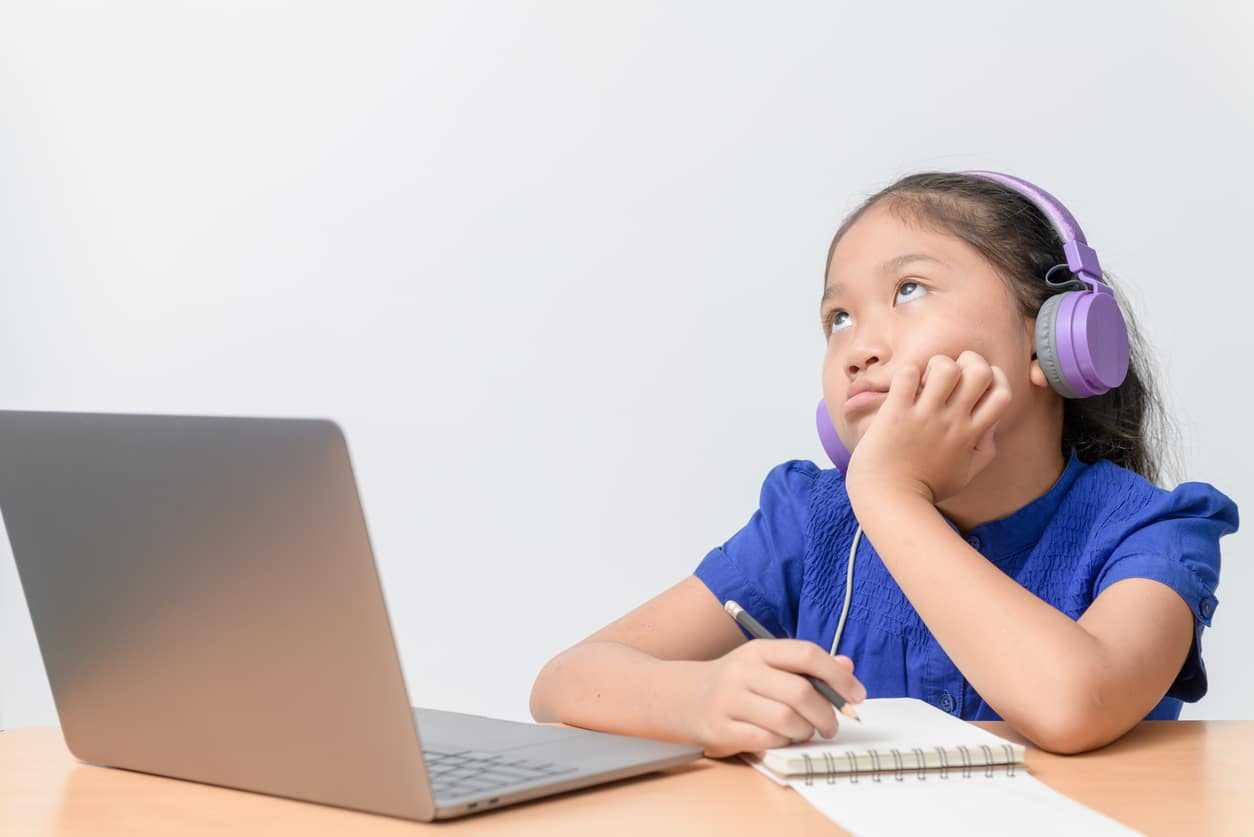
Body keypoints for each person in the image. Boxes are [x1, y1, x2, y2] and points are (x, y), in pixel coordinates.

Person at [529, 170, 1239, 757]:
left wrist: (893, 495)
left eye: (908, 290)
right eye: (837, 317)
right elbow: (562, 684)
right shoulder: (813, 520)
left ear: (1055, 337)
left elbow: (1072, 703)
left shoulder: (1156, 531)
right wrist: (698, 699)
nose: (857, 347)